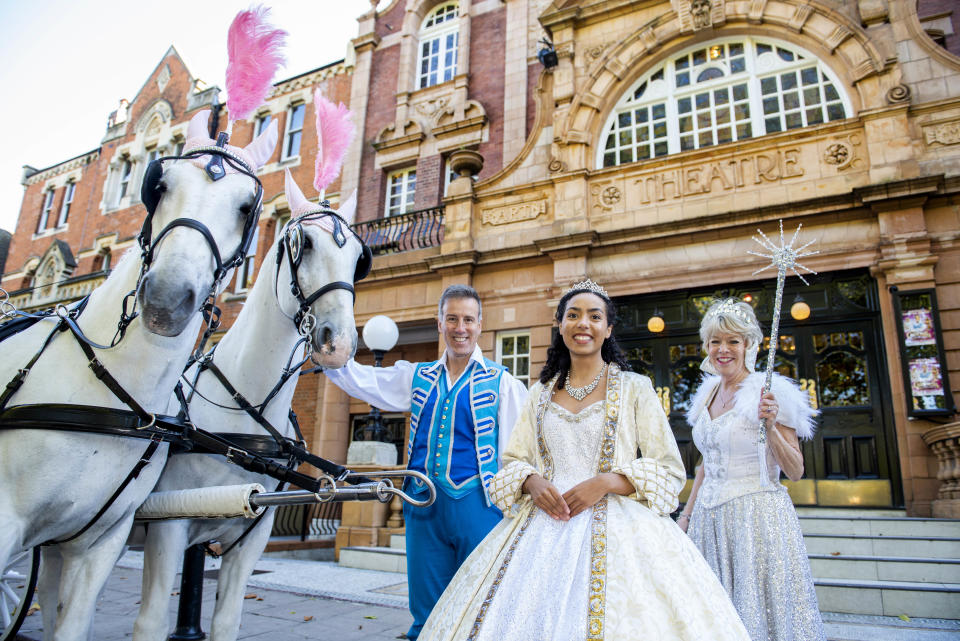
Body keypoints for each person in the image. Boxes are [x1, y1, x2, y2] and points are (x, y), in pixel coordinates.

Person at [417, 280, 750, 641]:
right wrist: (532, 481)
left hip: (625, 528)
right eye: (573, 315)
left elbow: (669, 468)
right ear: (560, 326)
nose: (583, 324)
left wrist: (608, 481)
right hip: (542, 526)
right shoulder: (539, 394)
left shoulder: (635, 388)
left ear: (607, 329)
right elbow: (511, 460)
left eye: (594, 316)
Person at [324, 284, 528, 640]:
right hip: (423, 507)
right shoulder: (416, 376)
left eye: (467, 319)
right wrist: (331, 360)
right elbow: (367, 381)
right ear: (440, 323)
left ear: (480, 324)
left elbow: (519, 451)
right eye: (452, 318)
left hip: (479, 508)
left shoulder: (503, 383)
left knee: (481, 605)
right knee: (425, 612)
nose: (459, 327)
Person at [679, 298, 825, 641]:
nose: (723, 349)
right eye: (715, 341)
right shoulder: (707, 393)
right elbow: (707, 462)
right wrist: (686, 515)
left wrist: (771, 426)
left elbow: (796, 470)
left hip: (755, 518)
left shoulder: (770, 393)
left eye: (733, 341)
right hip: (708, 522)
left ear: (748, 345)